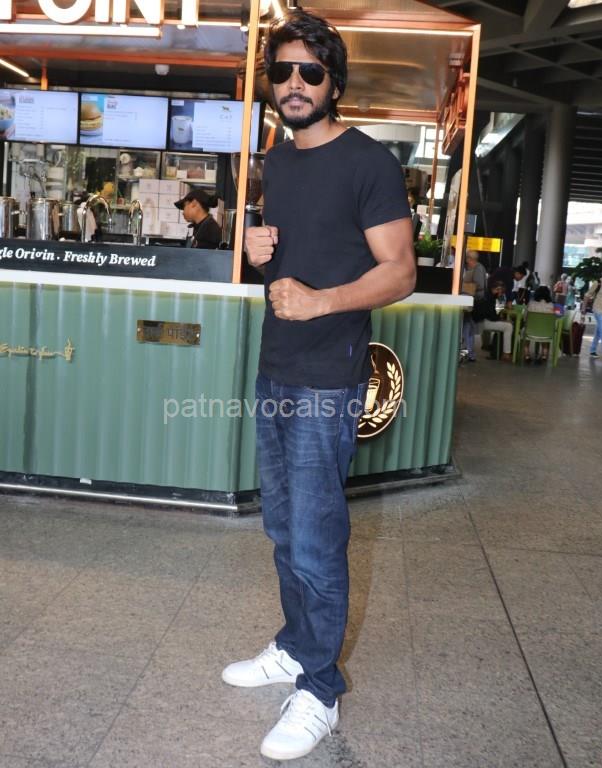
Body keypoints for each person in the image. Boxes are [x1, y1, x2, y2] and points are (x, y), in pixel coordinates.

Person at [220, 10, 416, 761]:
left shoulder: (369, 163)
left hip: (329, 379)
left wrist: (322, 302)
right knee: (282, 528)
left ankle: (321, 692)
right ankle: (296, 647)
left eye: (310, 71)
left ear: (334, 82)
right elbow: (293, 266)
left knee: (316, 538)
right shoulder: (279, 158)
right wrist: (259, 251)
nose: (295, 84)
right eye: (283, 71)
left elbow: (400, 272)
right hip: (276, 366)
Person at [471, 280, 513, 361]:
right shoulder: (491, 298)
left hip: (478, 320)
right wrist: (503, 320)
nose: (501, 293)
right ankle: (506, 354)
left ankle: (505, 353)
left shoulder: (486, 295)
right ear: (496, 289)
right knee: (509, 326)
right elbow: (493, 317)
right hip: (481, 322)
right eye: (501, 291)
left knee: (507, 326)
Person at [523, 285, 554, 364]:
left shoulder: (531, 303)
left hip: (530, 332)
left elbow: (525, 318)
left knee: (525, 333)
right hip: (546, 334)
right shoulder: (551, 305)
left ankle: (527, 355)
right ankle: (544, 355)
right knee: (545, 332)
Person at [584, 271, 602, 360]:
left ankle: (592, 350)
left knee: (599, 331)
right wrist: (583, 309)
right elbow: (587, 295)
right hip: (598, 310)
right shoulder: (597, 283)